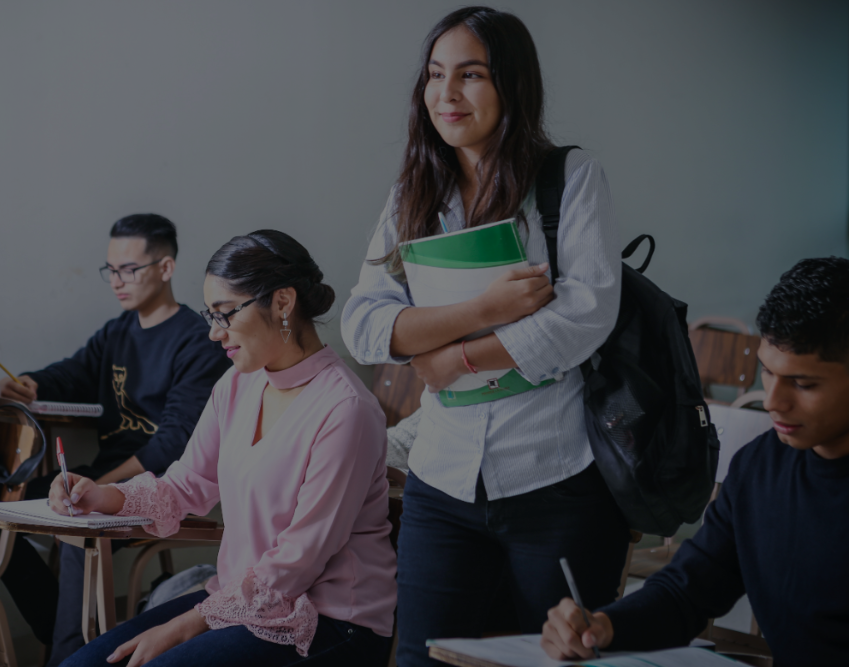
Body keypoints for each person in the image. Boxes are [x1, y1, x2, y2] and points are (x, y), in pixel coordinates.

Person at [341, 7, 628, 665]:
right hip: (442, 481)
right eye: (436, 75)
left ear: (511, 85)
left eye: (471, 75)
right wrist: (485, 309)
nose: (446, 94)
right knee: (421, 658)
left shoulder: (570, 179)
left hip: (556, 478)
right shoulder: (412, 191)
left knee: (558, 658)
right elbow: (364, 324)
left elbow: (585, 315)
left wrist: (452, 358)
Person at [55, 230, 397, 667]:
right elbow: (185, 484)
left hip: (329, 621)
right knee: (80, 665)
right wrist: (101, 495)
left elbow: (298, 560)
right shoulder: (237, 384)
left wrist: (184, 625)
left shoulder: (346, 410)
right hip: (239, 602)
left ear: (282, 302)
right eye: (210, 316)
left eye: (225, 314)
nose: (215, 334)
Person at [542, 257, 849, 666]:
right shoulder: (759, 468)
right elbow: (688, 590)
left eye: (804, 384)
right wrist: (604, 626)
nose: (773, 401)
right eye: (768, 374)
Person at [0, 213, 231, 662]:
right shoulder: (117, 332)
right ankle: (55, 627)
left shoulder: (196, 341)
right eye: (111, 270)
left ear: (165, 268)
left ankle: (63, 656)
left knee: (77, 533)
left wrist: (104, 486)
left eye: (130, 270)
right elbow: (74, 373)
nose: (117, 282)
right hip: (107, 476)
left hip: (160, 485)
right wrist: (31, 383)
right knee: (4, 506)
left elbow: (173, 445)